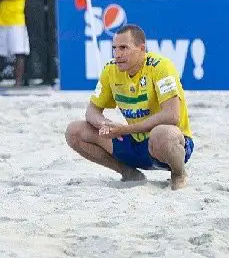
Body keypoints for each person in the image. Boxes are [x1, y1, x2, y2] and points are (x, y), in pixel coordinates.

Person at [65, 24, 194, 190]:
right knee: (74, 131)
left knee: (163, 133)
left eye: (124, 48)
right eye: (114, 48)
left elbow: (172, 115)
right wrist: (104, 125)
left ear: (142, 49)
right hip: (134, 143)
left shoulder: (161, 67)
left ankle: (178, 174)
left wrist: (125, 130)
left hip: (166, 147)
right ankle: (128, 173)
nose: (117, 54)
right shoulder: (110, 69)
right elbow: (91, 111)